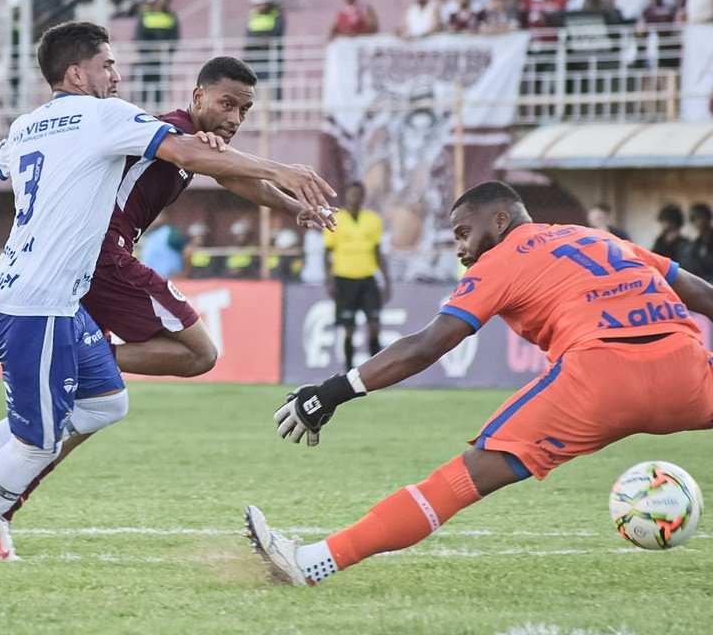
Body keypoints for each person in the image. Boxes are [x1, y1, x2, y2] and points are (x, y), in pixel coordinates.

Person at [0, 22, 336, 563]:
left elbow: (227, 175)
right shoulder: (132, 122)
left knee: (102, 404)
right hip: (100, 257)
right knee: (197, 354)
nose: (234, 119)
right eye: (227, 104)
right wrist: (282, 170)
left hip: (54, 270)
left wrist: (289, 203)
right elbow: (197, 160)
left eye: (244, 111)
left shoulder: (33, 125)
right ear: (197, 95)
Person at [245, 180, 713, 586]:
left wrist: (330, 392)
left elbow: (427, 345)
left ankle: (312, 562)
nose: (461, 249)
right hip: (686, 368)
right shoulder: (600, 237)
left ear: (501, 220)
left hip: (597, 379)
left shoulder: (502, 259)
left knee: (461, 480)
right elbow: (692, 288)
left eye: (464, 233)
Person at [324, 181, 391, 371]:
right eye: (352, 194)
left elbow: (378, 251)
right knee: (348, 329)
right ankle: (348, 371)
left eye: (359, 195)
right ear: (346, 196)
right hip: (344, 278)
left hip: (368, 278)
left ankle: (376, 370)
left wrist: (386, 280)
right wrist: (329, 280)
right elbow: (326, 253)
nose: (355, 198)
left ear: (363, 197)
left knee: (374, 325)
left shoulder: (372, 220)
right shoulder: (336, 219)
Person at [134, 0, 179, 109]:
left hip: (163, 60)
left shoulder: (171, 17)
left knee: (161, 87)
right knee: (144, 86)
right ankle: (142, 109)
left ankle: (159, 111)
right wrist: (149, 50)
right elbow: (139, 37)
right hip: (147, 59)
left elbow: (175, 38)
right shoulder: (144, 16)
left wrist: (164, 50)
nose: (161, 3)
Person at [245, 0, 285, 102]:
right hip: (255, 58)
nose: (258, 7)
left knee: (273, 86)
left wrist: (266, 40)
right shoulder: (253, 15)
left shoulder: (277, 14)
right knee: (254, 87)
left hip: (271, 58)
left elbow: (278, 31)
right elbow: (248, 36)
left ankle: (275, 114)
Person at [683, 203, 713, 282]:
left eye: (701, 218)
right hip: (700, 281)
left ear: (708, 218)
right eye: (694, 219)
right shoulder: (696, 242)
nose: (698, 222)